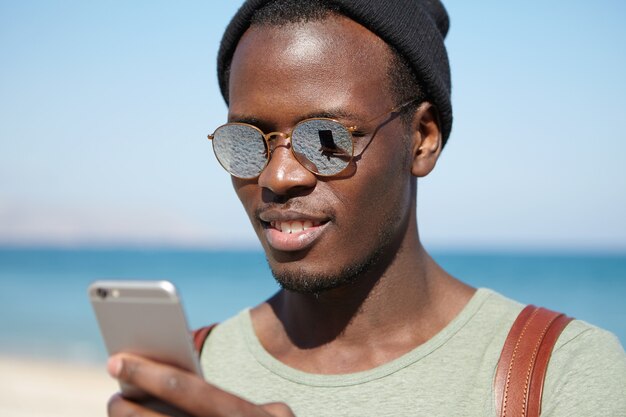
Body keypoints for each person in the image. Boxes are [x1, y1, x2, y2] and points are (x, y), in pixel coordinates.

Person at [106, 1, 626, 416]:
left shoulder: (554, 373)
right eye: (248, 141)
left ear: (421, 141)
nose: (278, 176)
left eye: (327, 139)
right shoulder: (194, 375)